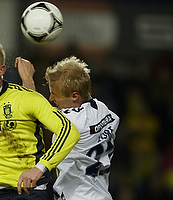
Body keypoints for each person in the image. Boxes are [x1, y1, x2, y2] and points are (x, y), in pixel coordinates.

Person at [0, 37, 80, 200]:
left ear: (2, 70)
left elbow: (69, 132)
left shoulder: (24, 98)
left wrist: (40, 168)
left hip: (29, 192)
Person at [21, 56, 120, 200]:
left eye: (55, 94)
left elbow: (32, 113)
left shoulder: (72, 121)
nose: (51, 99)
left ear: (75, 96)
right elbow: (115, 118)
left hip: (77, 196)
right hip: (101, 194)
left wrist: (27, 78)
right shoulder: (104, 110)